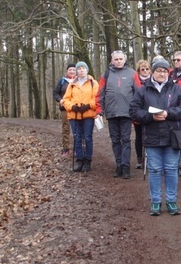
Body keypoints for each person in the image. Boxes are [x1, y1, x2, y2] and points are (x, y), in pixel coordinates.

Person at [130, 59, 181, 216]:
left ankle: (171, 201)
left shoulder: (176, 89)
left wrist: (168, 113)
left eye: (164, 71)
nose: (161, 73)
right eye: (158, 71)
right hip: (151, 135)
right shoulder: (142, 90)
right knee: (155, 170)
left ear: (168, 72)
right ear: (152, 72)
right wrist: (150, 117)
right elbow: (134, 110)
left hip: (172, 135)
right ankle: (155, 202)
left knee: (171, 169)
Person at [97, 51, 141, 179]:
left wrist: (137, 110)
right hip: (111, 113)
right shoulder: (106, 74)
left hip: (127, 113)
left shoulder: (132, 73)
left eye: (121, 59)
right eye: (116, 59)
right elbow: (100, 94)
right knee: (115, 140)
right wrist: (99, 111)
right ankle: (118, 165)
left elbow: (139, 93)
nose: (118, 61)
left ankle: (126, 166)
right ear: (112, 61)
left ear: (125, 59)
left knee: (126, 140)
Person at [63, 62, 99, 173]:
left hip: (88, 114)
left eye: (83, 68)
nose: (81, 70)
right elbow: (66, 99)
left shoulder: (93, 83)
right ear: (77, 71)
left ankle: (88, 160)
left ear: (87, 70)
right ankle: (79, 159)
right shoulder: (72, 84)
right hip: (74, 115)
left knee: (87, 137)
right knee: (77, 137)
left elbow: (97, 98)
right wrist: (72, 107)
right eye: (79, 69)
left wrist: (88, 105)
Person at [53, 63, 76, 157]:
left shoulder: (79, 81)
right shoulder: (62, 81)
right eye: (70, 69)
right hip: (65, 108)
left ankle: (77, 149)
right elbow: (55, 93)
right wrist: (60, 100)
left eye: (74, 70)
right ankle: (66, 148)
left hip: (76, 108)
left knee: (77, 129)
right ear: (67, 71)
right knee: (66, 128)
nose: (72, 71)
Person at [133, 59, 152, 169]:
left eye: (147, 69)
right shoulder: (135, 81)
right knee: (139, 136)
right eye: (142, 69)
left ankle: (150, 158)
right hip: (139, 111)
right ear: (139, 71)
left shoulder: (153, 80)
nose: (145, 71)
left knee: (149, 135)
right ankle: (139, 158)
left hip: (150, 111)